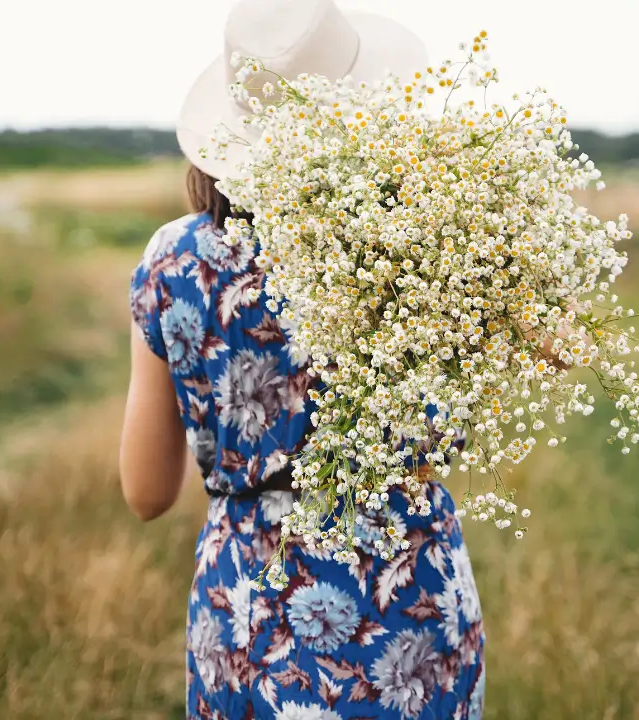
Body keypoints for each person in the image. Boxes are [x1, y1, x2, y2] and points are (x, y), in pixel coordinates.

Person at [120, 1, 486, 717]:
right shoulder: (430, 249)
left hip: (247, 622)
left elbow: (145, 493)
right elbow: (543, 363)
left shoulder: (174, 261)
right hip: (415, 626)